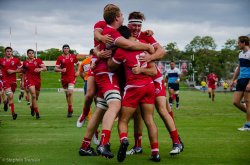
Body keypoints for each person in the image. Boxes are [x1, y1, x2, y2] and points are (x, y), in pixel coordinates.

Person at [78, 4, 154, 159]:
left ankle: (85, 146)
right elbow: (129, 44)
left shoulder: (108, 29)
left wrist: (146, 33)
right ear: (117, 17)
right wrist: (148, 46)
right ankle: (104, 143)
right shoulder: (110, 31)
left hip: (104, 72)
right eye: (122, 15)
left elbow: (127, 36)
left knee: (100, 110)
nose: (123, 17)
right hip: (107, 73)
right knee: (115, 104)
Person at [108, 25, 160, 162]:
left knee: (123, 119)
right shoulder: (145, 46)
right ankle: (155, 152)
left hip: (133, 87)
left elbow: (111, 66)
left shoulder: (121, 49)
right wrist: (143, 70)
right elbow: (154, 72)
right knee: (149, 119)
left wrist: (110, 51)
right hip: (149, 85)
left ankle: (124, 139)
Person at [231, 36, 250, 131]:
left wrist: (249, 84)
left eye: (239, 43)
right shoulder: (240, 54)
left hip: (248, 80)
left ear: (244, 43)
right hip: (241, 79)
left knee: (248, 102)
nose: (238, 44)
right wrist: (233, 80)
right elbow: (238, 68)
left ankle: (248, 125)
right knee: (235, 102)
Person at [55, 44, 79, 117]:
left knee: (70, 93)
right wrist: (61, 70)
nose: (66, 49)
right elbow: (55, 69)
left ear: (69, 49)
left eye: (67, 48)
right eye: (65, 48)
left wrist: (78, 71)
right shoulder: (60, 58)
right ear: (63, 49)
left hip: (71, 77)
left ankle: (70, 109)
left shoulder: (73, 57)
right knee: (67, 94)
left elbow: (79, 64)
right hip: (64, 78)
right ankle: (70, 109)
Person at [23, 49, 47, 119]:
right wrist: (22, 81)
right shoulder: (25, 63)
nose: (31, 54)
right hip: (29, 80)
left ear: (34, 54)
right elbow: (23, 72)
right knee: (33, 95)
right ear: (27, 54)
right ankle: (37, 113)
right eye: (29, 53)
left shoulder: (38, 60)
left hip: (37, 81)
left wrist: (40, 69)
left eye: (32, 53)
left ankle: (33, 107)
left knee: (36, 97)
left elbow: (45, 68)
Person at [0, 47, 22, 120]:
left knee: (10, 97)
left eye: (10, 51)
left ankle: (5, 102)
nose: (9, 52)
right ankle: (13, 113)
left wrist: (13, 71)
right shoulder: (1, 60)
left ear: (12, 52)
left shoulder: (16, 60)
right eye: (7, 51)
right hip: (5, 80)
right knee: (10, 96)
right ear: (5, 52)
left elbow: (22, 69)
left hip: (13, 81)